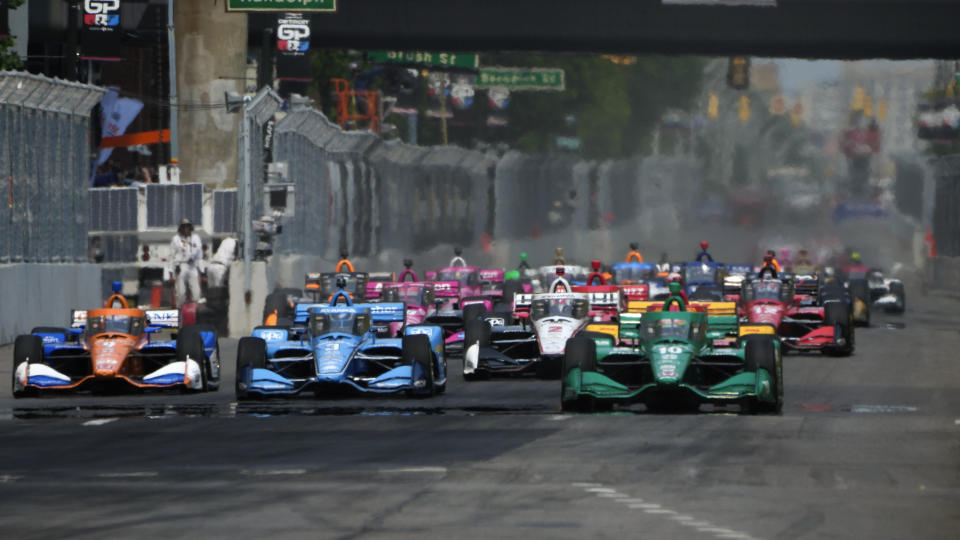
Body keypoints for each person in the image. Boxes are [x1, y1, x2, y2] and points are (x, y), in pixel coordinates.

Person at [170, 218, 204, 306]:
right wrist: (172, 270)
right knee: (181, 292)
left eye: (188, 227)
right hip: (181, 266)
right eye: (184, 227)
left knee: (196, 292)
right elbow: (172, 255)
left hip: (192, 266)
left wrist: (202, 270)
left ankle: (194, 312)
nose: (186, 229)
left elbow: (199, 255)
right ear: (181, 228)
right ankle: (180, 310)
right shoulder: (176, 239)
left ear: (190, 228)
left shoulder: (196, 238)